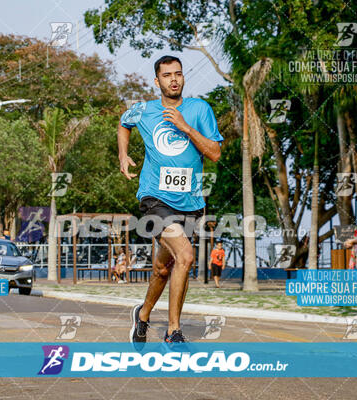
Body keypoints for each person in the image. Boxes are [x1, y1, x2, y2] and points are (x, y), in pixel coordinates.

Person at [120, 55, 223, 345]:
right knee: (186, 256)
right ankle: (173, 332)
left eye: (178, 74)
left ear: (183, 78)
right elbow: (123, 124)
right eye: (167, 75)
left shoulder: (199, 109)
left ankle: (142, 316)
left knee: (163, 268)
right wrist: (123, 153)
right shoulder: (144, 110)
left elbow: (214, 153)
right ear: (157, 81)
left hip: (190, 202)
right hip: (154, 198)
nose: (173, 79)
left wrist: (185, 127)